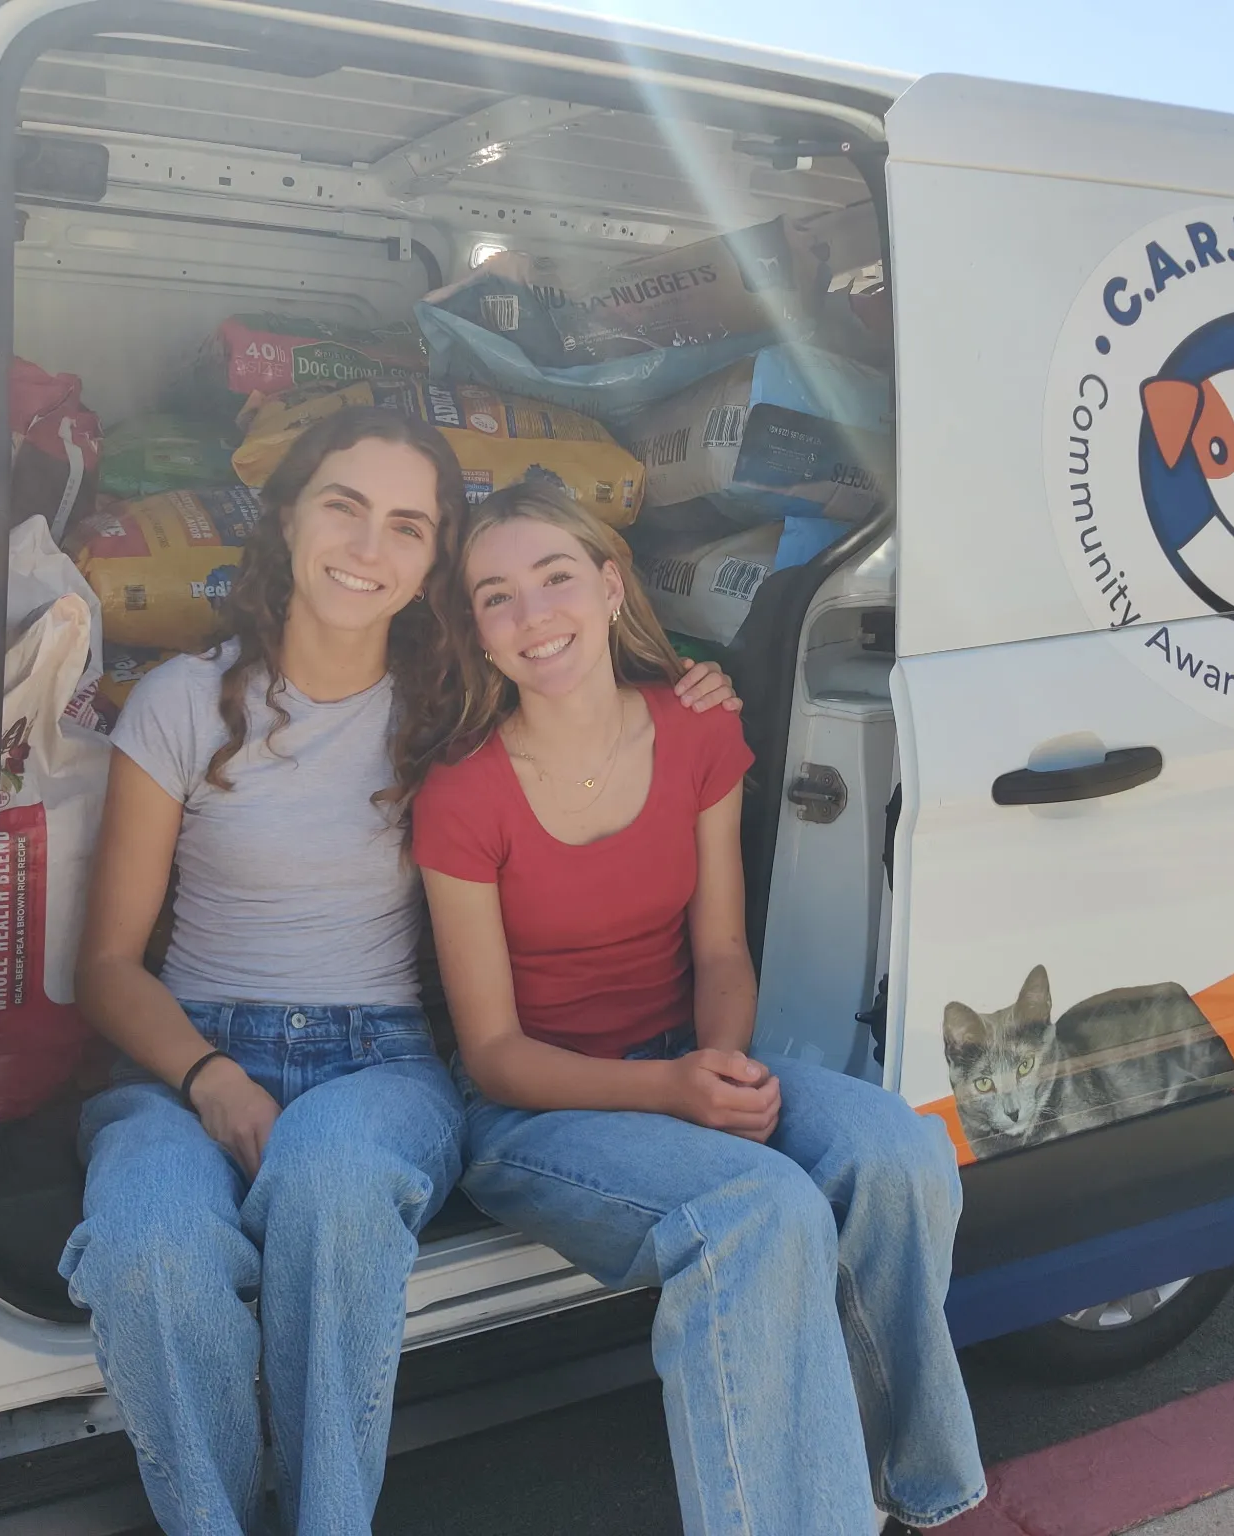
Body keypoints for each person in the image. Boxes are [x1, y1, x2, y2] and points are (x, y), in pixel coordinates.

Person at [61, 408, 739, 1536]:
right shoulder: (186, 698)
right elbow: (105, 968)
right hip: (186, 1053)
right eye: (344, 506)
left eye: (408, 527)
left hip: (378, 1056)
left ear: (433, 562)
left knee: (331, 1187)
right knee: (146, 1251)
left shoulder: (453, 707)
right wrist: (213, 1080)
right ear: (286, 516)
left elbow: (589, 701)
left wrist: (695, 688)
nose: (368, 545)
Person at [414, 481, 986, 1536]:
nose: (533, 615)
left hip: (686, 1057)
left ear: (608, 582)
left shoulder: (693, 730)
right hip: (538, 1111)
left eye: (553, 578)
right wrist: (671, 1094)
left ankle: (914, 1488)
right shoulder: (461, 793)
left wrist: (714, 1071)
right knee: (756, 1214)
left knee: (898, 1152)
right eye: (495, 598)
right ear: (475, 633)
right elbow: (492, 1054)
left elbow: (721, 948)